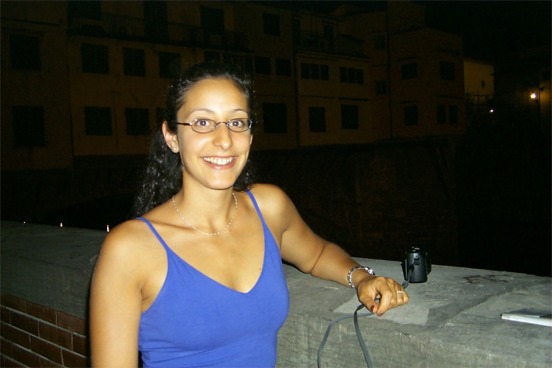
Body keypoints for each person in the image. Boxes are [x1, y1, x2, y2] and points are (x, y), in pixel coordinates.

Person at [89, 62, 409, 367]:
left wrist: (362, 278)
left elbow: (317, 253)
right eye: (202, 122)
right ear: (172, 136)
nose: (224, 139)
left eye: (237, 122)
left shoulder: (269, 207)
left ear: (250, 136)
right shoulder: (130, 248)